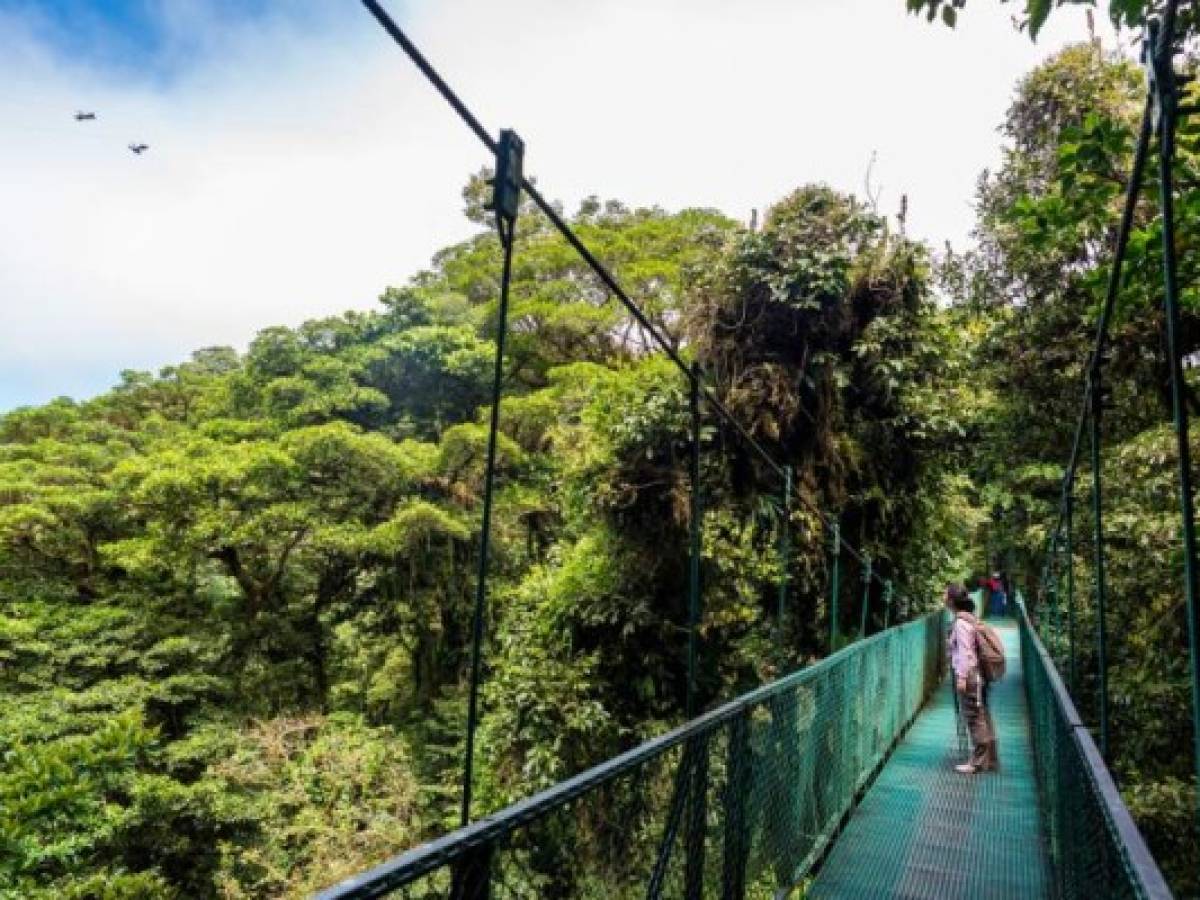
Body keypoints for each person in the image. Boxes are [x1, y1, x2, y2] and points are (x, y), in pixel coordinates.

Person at [946, 583, 998, 774]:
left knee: (975, 718)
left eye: (945, 595)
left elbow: (966, 653)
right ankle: (989, 759)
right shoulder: (970, 618)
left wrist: (961, 677)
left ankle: (976, 762)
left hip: (970, 677)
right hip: (977, 676)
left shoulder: (960, 623)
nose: (944, 598)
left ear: (951, 600)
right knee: (981, 715)